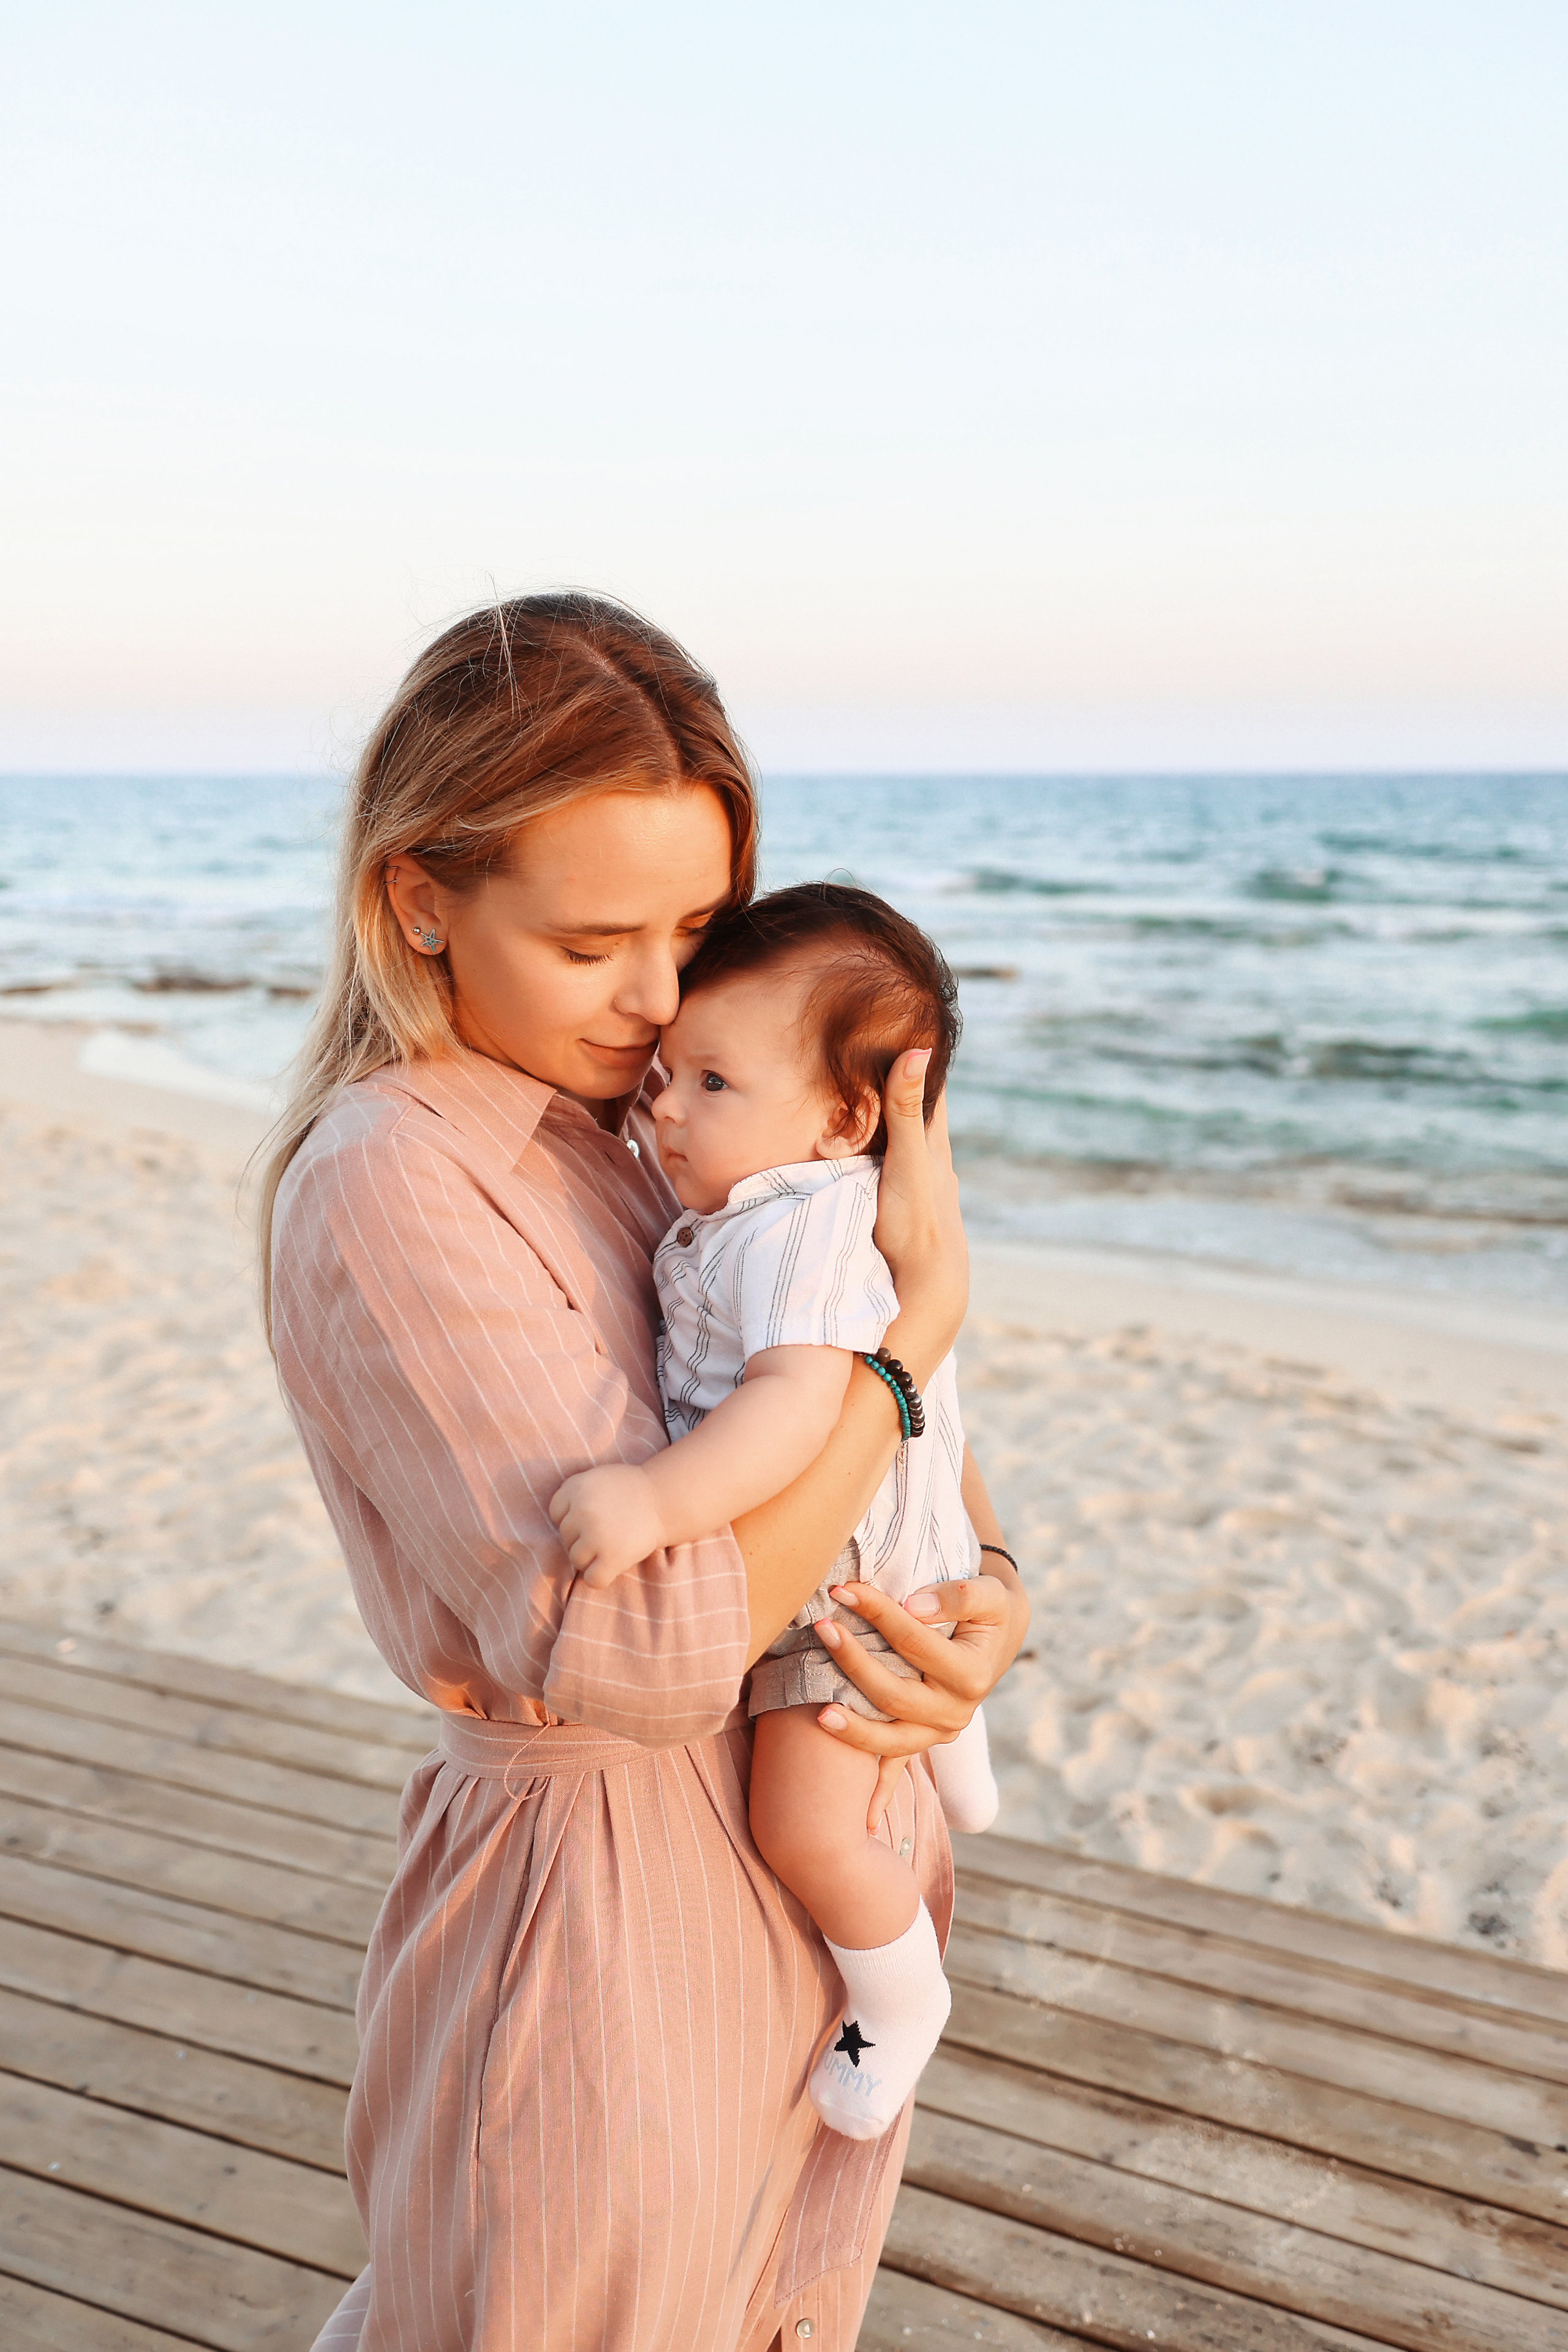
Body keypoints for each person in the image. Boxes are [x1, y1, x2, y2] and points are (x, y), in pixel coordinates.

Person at [261, 591, 1030, 2352]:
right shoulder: (396, 1180)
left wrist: (992, 1610)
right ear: (421, 896)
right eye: (601, 936)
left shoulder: (653, 1123)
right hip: (605, 1912)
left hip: (793, 1865)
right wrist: (909, 1344)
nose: (667, 992)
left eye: (697, 924)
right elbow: (650, 1648)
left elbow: (926, 1480)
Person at [550, 881, 1001, 2144]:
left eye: (709, 1084)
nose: (663, 1106)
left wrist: (655, 1498)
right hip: (911, 1545)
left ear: (844, 1116)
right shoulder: (795, 1206)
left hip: (834, 1590)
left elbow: (802, 1405)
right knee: (894, 1698)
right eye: (667, 1077)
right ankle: (960, 1767)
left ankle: (899, 1997)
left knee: (802, 1823)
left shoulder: (791, 1231)